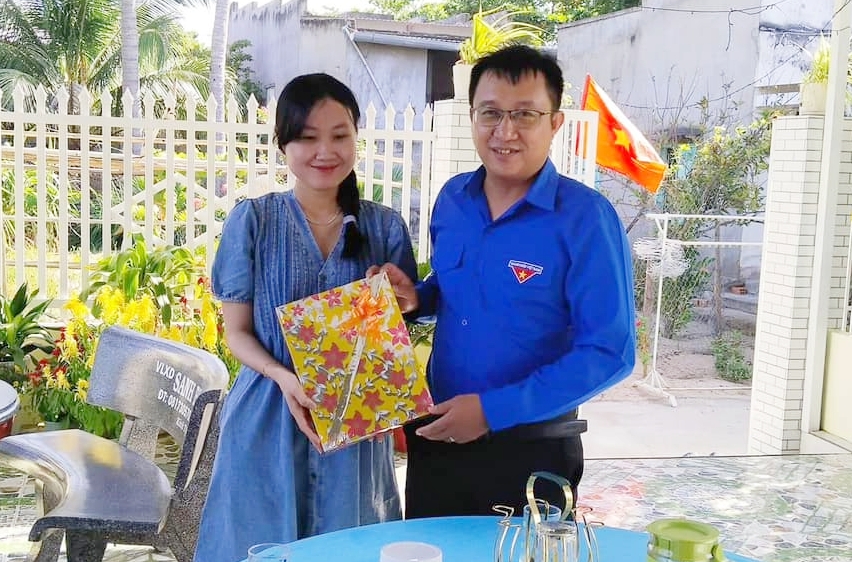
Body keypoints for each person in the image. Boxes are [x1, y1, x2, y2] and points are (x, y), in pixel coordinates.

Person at [369, 45, 636, 518]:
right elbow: (455, 290)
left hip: (531, 450)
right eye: (490, 113)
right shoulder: (453, 200)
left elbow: (609, 353)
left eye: (525, 114)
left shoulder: (586, 219)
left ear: (555, 123)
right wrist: (415, 299)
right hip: (438, 437)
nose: (505, 131)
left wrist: (492, 410)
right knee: (431, 550)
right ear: (472, 116)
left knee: (521, 553)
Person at [194, 73, 417, 562]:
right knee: (259, 547)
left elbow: (400, 333)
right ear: (283, 144)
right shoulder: (253, 221)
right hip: (266, 418)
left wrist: (404, 303)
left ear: (356, 138)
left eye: (339, 135)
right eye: (308, 137)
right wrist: (283, 377)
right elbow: (236, 333)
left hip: (354, 429)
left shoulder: (385, 227)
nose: (325, 151)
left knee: (351, 549)